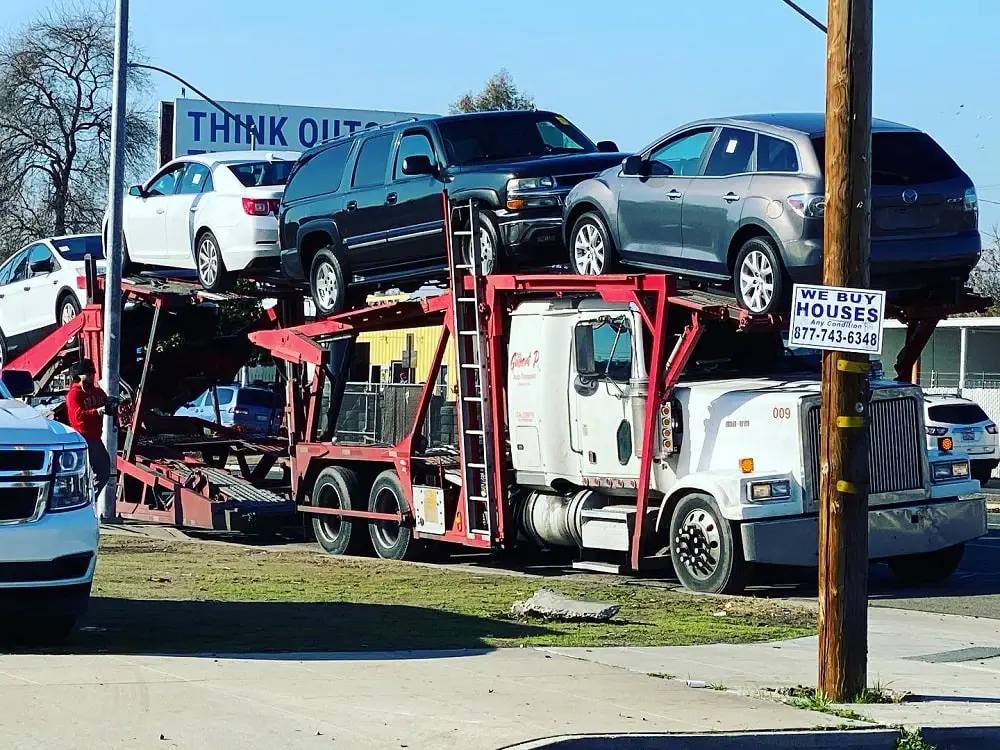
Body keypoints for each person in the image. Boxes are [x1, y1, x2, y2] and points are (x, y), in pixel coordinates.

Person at [66, 359, 114, 497]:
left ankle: (90, 498)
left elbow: (107, 406)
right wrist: (97, 411)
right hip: (82, 438)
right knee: (80, 476)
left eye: (92, 373)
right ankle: (81, 500)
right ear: (79, 376)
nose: (92, 377)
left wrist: (111, 403)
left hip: (96, 438)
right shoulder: (74, 394)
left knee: (104, 471)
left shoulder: (98, 392)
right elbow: (78, 416)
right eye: (88, 374)